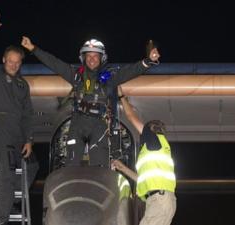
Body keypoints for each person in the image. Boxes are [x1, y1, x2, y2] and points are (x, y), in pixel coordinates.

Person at [21, 36, 160, 168]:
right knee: (71, 164)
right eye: (88, 55)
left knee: (100, 166)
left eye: (95, 56)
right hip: (77, 123)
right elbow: (54, 63)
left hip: (99, 124)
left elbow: (130, 71)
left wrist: (148, 61)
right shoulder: (76, 75)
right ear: (83, 58)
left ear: (101, 58)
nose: (91, 59)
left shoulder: (110, 77)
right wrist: (33, 48)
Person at [0, 12, 39, 225]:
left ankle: (11, 198)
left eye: (17, 62)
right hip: (2, 131)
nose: (13, 65)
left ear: (21, 63)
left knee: (33, 166)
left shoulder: (23, 85)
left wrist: (29, 139)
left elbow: (28, 113)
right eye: (10, 61)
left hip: (19, 134)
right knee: (6, 173)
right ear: (4, 60)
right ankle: (0, 220)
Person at [111, 90, 177, 225]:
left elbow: (130, 116)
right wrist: (122, 168)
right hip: (159, 201)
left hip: (159, 201)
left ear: (150, 131)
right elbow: (141, 180)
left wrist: (122, 97)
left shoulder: (154, 139)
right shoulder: (156, 150)